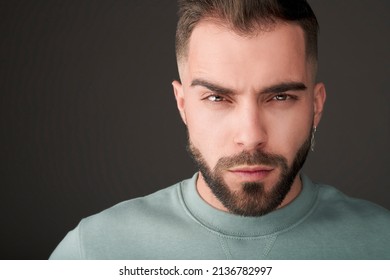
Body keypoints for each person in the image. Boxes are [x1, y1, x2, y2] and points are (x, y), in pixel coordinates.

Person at [50, 0, 390, 259]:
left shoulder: (381, 245)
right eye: (216, 97)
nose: (250, 135)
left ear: (315, 106)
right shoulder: (92, 252)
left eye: (280, 96)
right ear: (183, 104)